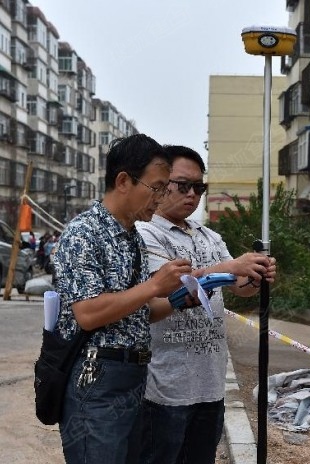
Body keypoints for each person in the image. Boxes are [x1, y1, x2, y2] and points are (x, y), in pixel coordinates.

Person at [51, 134, 194, 464]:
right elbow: (88, 313)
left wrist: (179, 298)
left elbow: (138, 311)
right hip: (97, 377)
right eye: (156, 187)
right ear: (123, 181)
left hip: (134, 378)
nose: (161, 198)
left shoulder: (132, 238)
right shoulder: (83, 232)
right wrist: (155, 285)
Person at [136, 145, 277, 464]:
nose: (192, 194)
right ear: (161, 182)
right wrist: (230, 267)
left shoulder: (210, 237)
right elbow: (168, 284)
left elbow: (239, 286)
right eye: (182, 185)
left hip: (210, 384)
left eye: (199, 187)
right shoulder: (145, 233)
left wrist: (256, 274)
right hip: (163, 386)